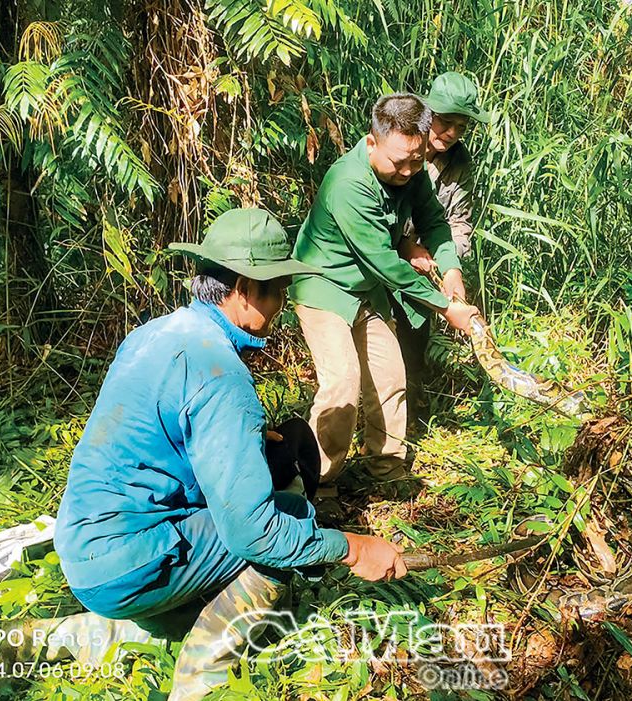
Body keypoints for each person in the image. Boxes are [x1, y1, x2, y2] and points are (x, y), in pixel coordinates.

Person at [51, 208, 408, 699]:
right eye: (277, 290)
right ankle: (203, 680)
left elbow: (157, 428)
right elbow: (254, 533)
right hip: (123, 563)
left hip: (81, 545)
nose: (282, 303)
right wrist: (353, 546)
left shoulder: (157, 333)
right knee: (287, 526)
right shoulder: (220, 373)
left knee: (288, 451)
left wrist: (242, 443)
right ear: (243, 287)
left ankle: (126, 630)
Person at [290, 93, 479, 502]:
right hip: (325, 287)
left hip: (366, 293)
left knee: (390, 377)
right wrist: (446, 307)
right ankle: (316, 480)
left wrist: (451, 269)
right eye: (399, 161)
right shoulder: (348, 184)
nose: (408, 171)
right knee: (342, 384)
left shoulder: (413, 173)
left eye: (416, 159)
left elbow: (435, 223)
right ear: (372, 142)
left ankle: (385, 466)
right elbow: (384, 262)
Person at [394, 71, 490, 422]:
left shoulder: (460, 163)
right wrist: (405, 247)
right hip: (387, 252)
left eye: (461, 127)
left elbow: (458, 220)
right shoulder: (401, 146)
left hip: (430, 259)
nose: (451, 134)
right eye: (445, 122)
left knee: (416, 330)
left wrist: (451, 263)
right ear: (427, 114)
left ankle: (412, 398)